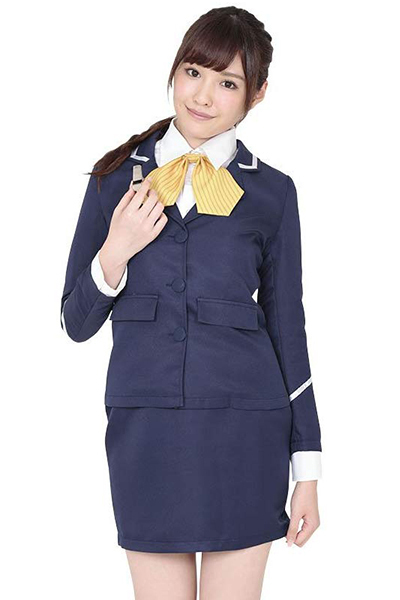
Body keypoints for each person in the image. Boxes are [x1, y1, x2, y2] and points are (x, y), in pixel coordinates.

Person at [60, 6, 322, 599]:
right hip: (146, 430)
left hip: (247, 432)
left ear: (256, 94)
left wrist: (307, 466)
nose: (203, 96)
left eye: (227, 82)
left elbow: (289, 330)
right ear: (175, 71)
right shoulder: (113, 180)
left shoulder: (273, 193)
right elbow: (75, 322)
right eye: (194, 72)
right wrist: (117, 250)